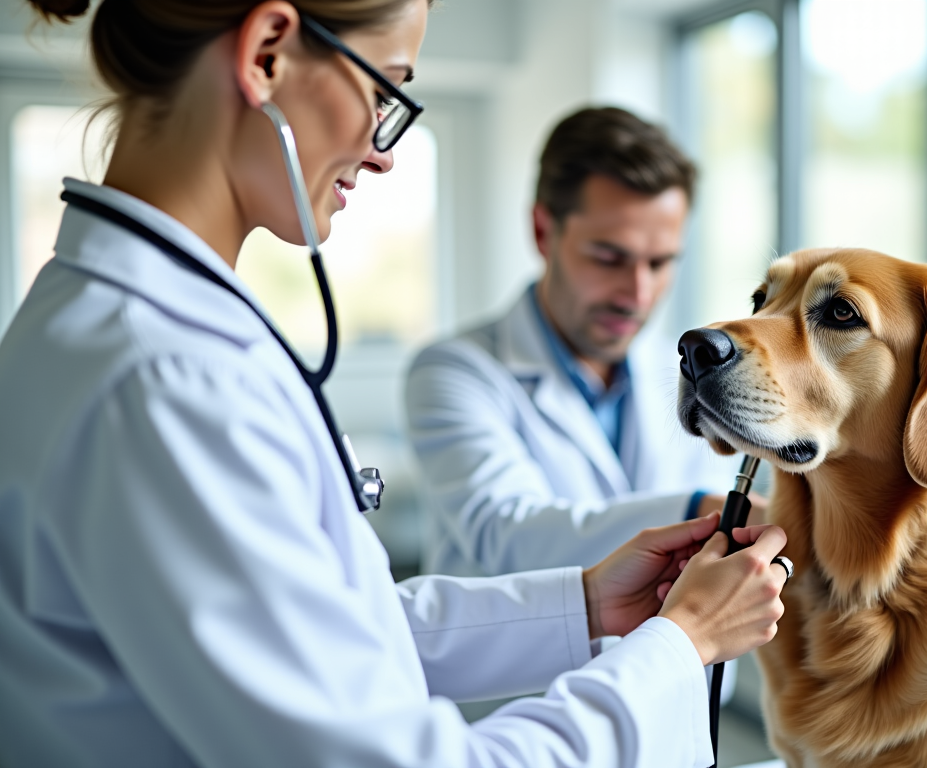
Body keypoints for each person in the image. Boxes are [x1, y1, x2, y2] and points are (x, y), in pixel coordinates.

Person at [0, 2, 788, 767]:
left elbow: (331, 631)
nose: (382, 151)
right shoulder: (167, 380)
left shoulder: (127, 329)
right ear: (267, 53)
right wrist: (681, 646)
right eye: (384, 91)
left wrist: (584, 606)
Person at [406, 107, 763, 579]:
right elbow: (506, 535)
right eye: (609, 257)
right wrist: (702, 509)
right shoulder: (453, 372)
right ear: (542, 231)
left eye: (659, 263)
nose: (637, 294)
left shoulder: (694, 368)